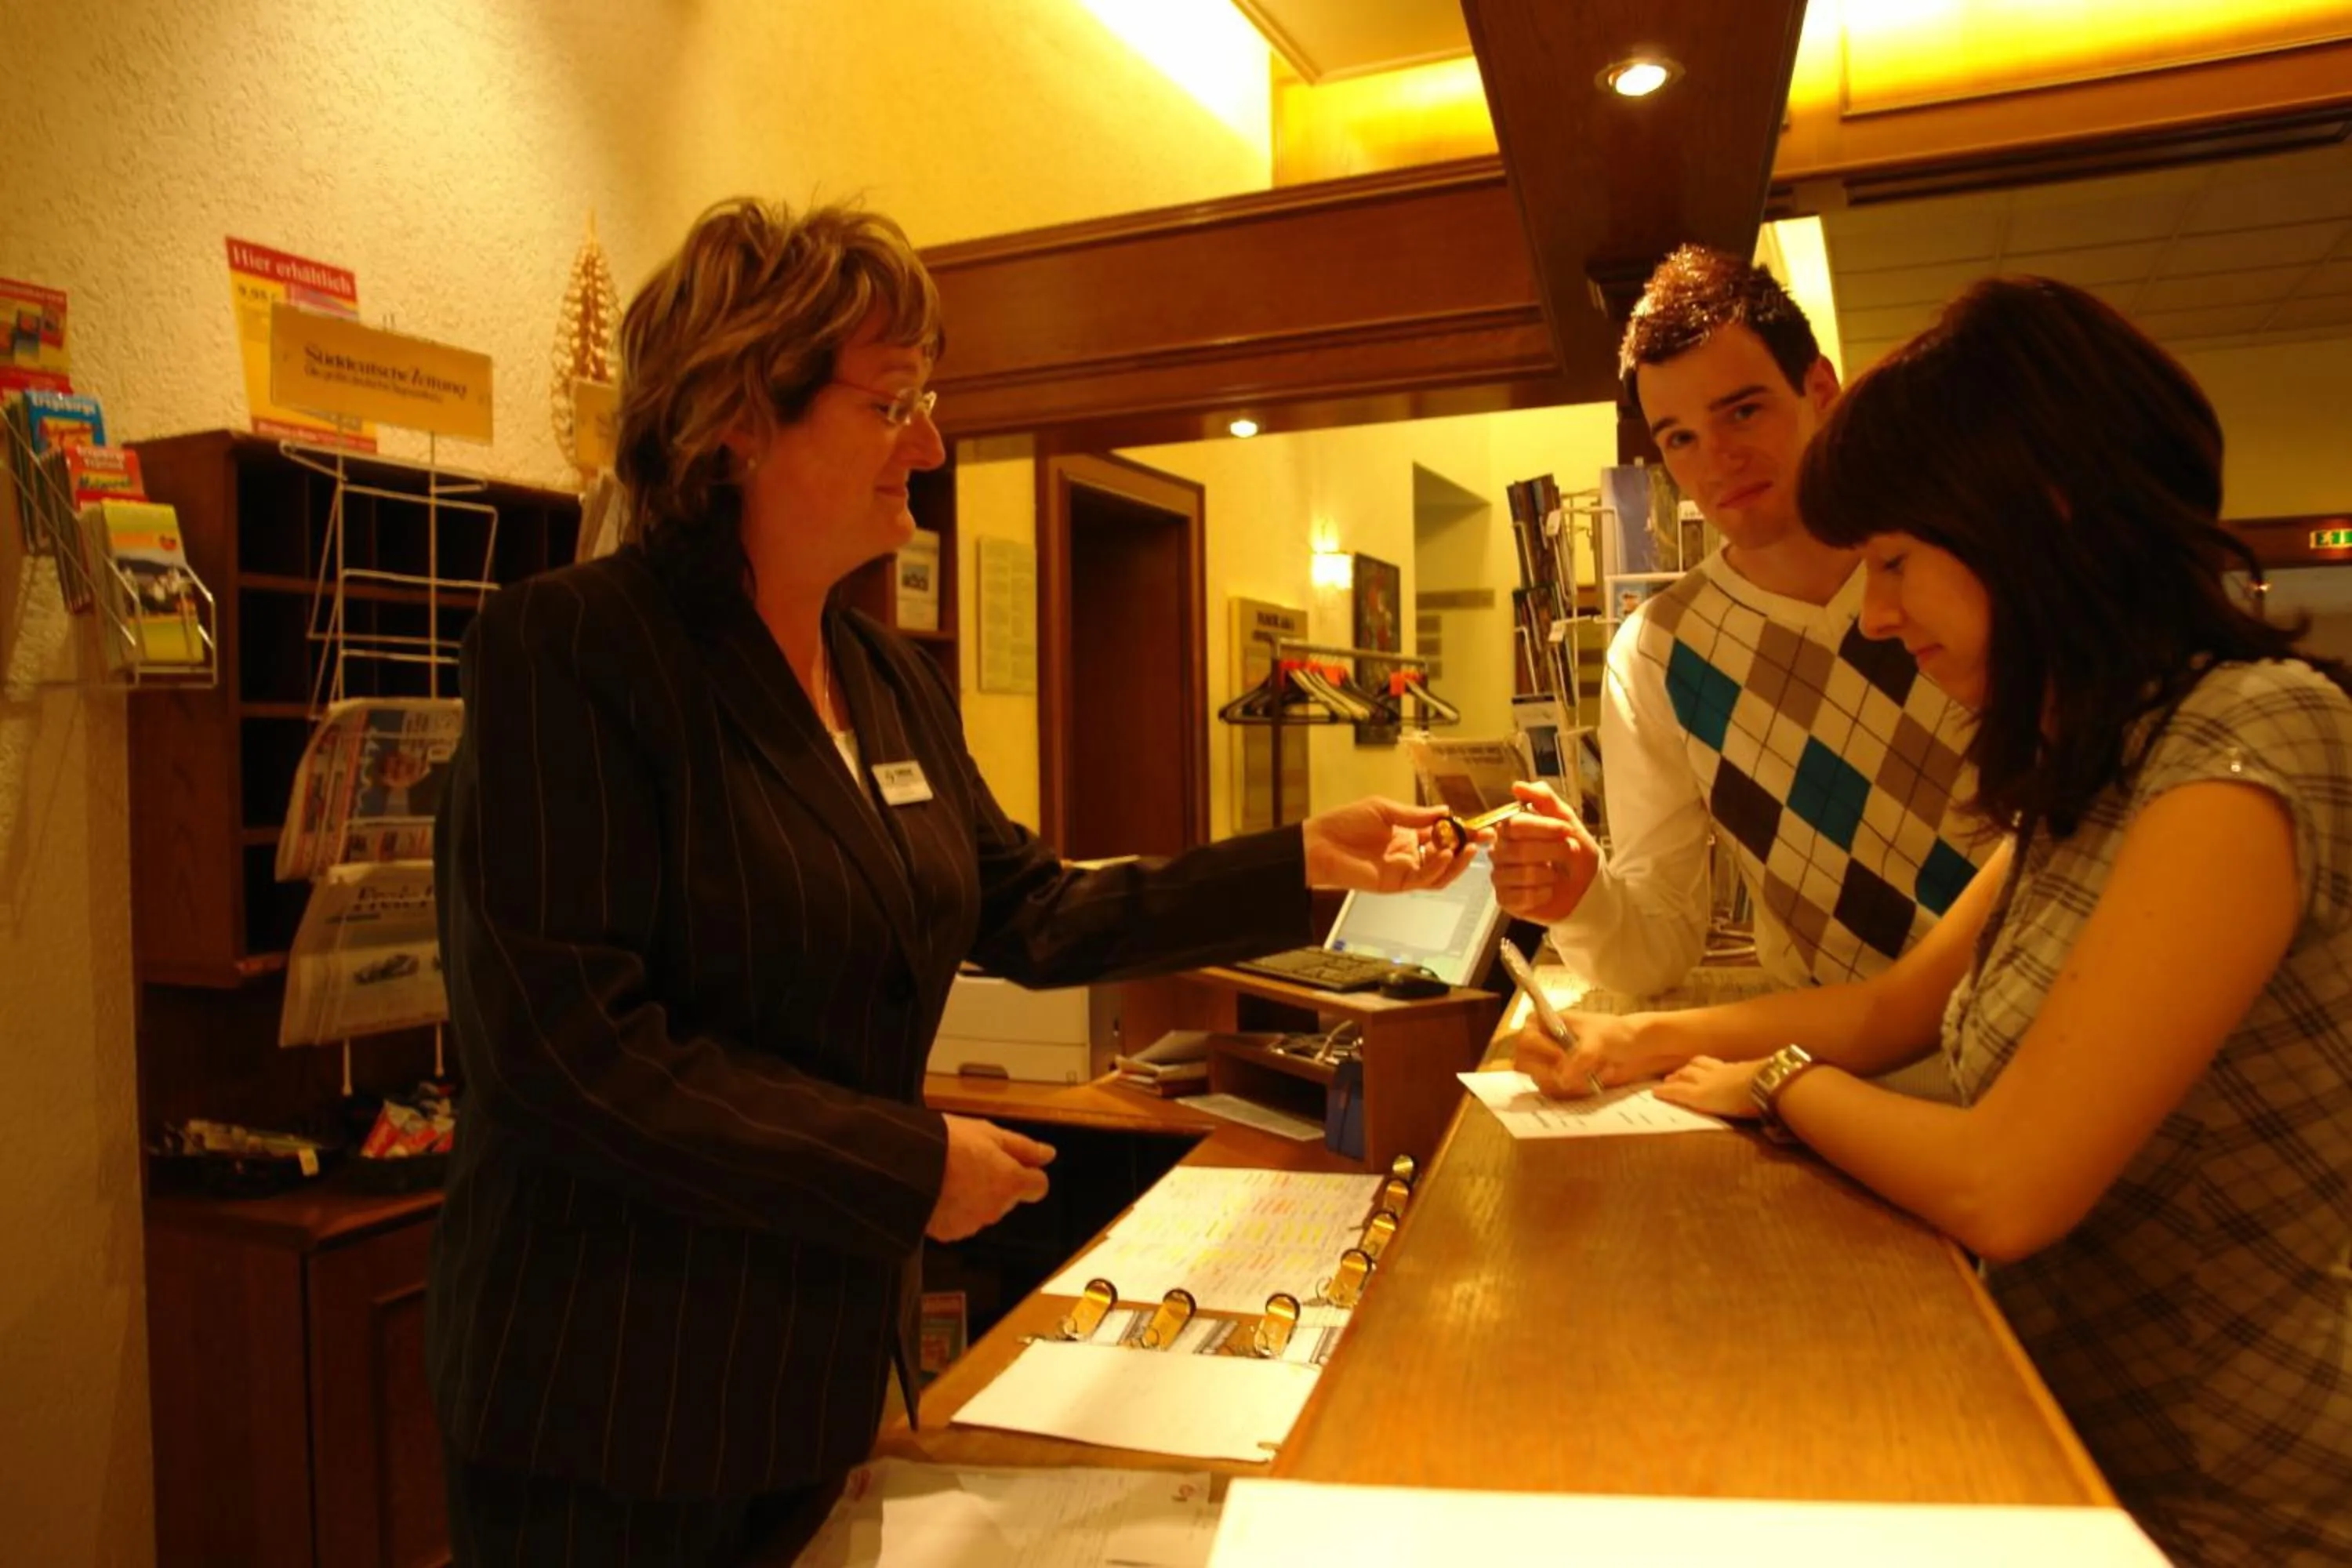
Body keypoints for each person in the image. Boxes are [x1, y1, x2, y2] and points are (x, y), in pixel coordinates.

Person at [426, 197, 1476, 1566]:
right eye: (891, 403)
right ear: (738, 418)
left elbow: (1031, 910)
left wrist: (1297, 863)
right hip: (610, 1394)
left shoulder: (888, 680)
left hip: (807, 1378)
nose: (929, 441)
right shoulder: (573, 652)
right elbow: (571, 1055)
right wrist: (905, 1163)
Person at [1517, 276, 2352, 1565]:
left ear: (2041, 516)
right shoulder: (2097, 769)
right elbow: (1886, 1006)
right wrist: (1632, 1043)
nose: (1884, 614)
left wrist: (1775, 1085)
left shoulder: (2251, 739)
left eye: (1900, 563)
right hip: (2054, 1419)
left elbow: (2004, 1181)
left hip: (2222, 1493)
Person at [1491, 246, 1991, 998]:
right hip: (1827, 1061)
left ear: (1820, 388)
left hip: (2039, 1038)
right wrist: (1582, 899)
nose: (1716, 459)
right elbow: (1657, 941)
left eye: (1743, 410)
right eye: (1679, 437)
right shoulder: (1658, 650)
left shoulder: (1956, 573)